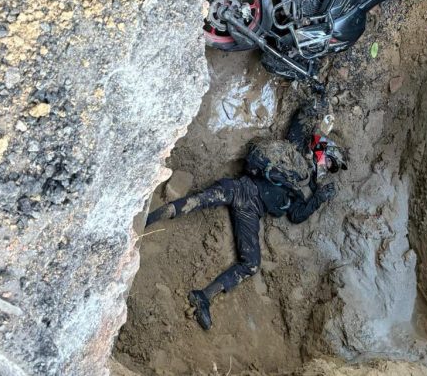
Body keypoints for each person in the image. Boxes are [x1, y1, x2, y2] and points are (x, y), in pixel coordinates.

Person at [145, 130, 345, 330]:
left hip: (252, 211)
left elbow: (296, 215)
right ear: (322, 149)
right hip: (244, 187)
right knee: (201, 200)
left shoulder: (306, 186)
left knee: (251, 264)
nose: (327, 168)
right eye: (329, 162)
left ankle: (203, 298)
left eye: (330, 167)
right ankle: (147, 219)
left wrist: (318, 199)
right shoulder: (296, 150)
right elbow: (296, 127)